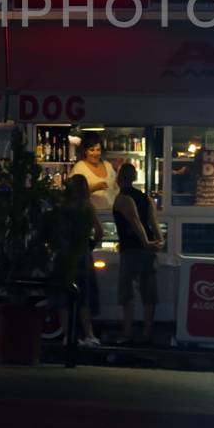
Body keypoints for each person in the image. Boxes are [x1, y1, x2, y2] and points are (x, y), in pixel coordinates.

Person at [111, 162, 162, 345]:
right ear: (134, 178)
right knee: (149, 291)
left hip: (131, 249)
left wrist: (145, 242)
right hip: (147, 251)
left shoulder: (122, 198)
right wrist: (159, 240)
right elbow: (152, 222)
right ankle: (147, 331)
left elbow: (135, 222)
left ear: (119, 178)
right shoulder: (145, 198)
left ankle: (127, 330)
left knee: (127, 292)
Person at [57, 175, 102, 348]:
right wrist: (89, 245)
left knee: (63, 296)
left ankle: (68, 335)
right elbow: (99, 232)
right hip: (82, 254)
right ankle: (89, 334)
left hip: (63, 254)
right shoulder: (87, 207)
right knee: (84, 296)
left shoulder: (61, 207)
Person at [70, 134, 117, 212]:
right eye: (92, 150)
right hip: (89, 215)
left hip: (110, 214)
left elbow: (116, 188)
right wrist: (93, 188)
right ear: (85, 151)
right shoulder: (79, 168)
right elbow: (73, 193)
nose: (95, 153)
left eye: (98, 150)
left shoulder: (108, 166)